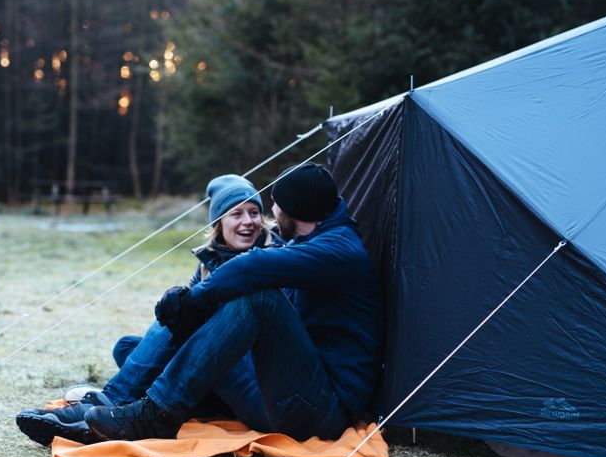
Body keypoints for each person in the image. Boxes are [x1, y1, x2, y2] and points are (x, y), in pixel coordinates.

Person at [82, 163, 384, 442]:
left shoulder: (337, 250)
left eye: (274, 204)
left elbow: (251, 267)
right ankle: (117, 404)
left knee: (260, 298)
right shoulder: (318, 242)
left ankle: (155, 414)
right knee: (129, 348)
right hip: (285, 395)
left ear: (294, 210)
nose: (272, 211)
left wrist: (194, 301)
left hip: (320, 411)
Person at [16, 174, 280, 446]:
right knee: (127, 346)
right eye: (236, 213)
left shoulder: (275, 257)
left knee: (177, 327)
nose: (248, 221)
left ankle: (113, 402)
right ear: (218, 223)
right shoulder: (208, 262)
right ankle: (116, 404)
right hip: (216, 375)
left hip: (254, 380)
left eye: (254, 212)